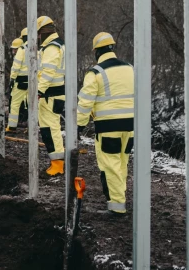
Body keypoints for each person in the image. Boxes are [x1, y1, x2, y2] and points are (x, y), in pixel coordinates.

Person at [77, 32, 134, 215]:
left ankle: (117, 207)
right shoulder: (130, 68)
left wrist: (78, 125)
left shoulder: (96, 73)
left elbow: (85, 102)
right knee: (122, 163)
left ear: (96, 52)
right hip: (131, 127)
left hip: (108, 128)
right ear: (112, 48)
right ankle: (120, 199)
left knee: (110, 166)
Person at [37, 16, 66, 175]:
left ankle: (57, 165)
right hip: (53, 95)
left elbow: (48, 72)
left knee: (51, 129)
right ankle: (56, 163)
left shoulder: (52, 48)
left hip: (50, 95)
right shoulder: (57, 46)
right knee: (51, 128)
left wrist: (38, 91)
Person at [7, 31, 28, 132]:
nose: (13, 52)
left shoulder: (22, 50)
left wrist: (12, 79)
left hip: (20, 81)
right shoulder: (36, 49)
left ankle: (12, 126)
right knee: (31, 104)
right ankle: (32, 127)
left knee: (15, 104)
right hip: (33, 81)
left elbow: (16, 67)